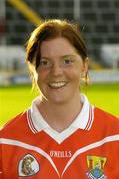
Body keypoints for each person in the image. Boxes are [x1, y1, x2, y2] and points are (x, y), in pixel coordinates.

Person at [0, 19, 119, 179]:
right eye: (45, 62)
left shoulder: (114, 135)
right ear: (32, 70)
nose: (56, 72)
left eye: (67, 61)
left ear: (84, 66)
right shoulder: (6, 140)